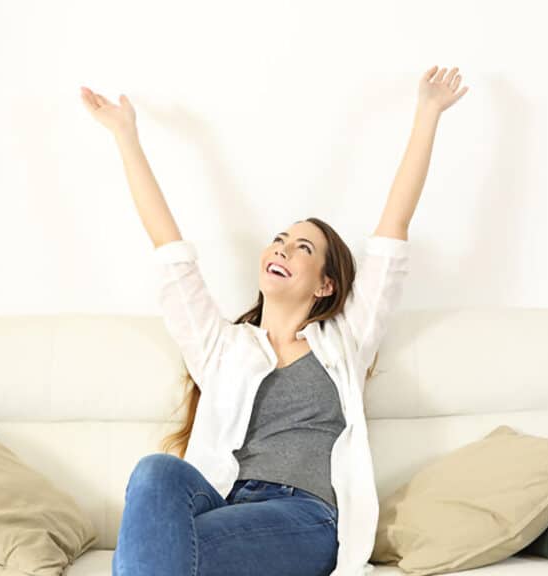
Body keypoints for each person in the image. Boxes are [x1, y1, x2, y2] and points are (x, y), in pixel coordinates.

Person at [80, 64, 468, 576]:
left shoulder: (346, 341)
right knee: (156, 474)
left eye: (302, 247)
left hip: (303, 517)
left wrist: (427, 113)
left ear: (324, 283)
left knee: (169, 549)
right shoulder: (223, 348)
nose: (282, 248)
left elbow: (392, 231)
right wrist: (125, 136)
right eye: (280, 239)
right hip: (219, 502)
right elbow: (169, 251)